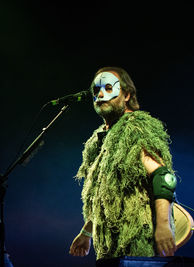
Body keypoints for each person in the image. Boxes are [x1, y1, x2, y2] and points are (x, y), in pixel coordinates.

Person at [69, 67, 178, 261]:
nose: (100, 94)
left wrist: (163, 226)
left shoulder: (135, 127)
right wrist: (87, 232)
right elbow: (104, 197)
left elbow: (163, 176)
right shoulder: (99, 140)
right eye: (96, 91)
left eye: (109, 87)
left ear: (126, 94)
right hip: (108, 246)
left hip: (138, 241)